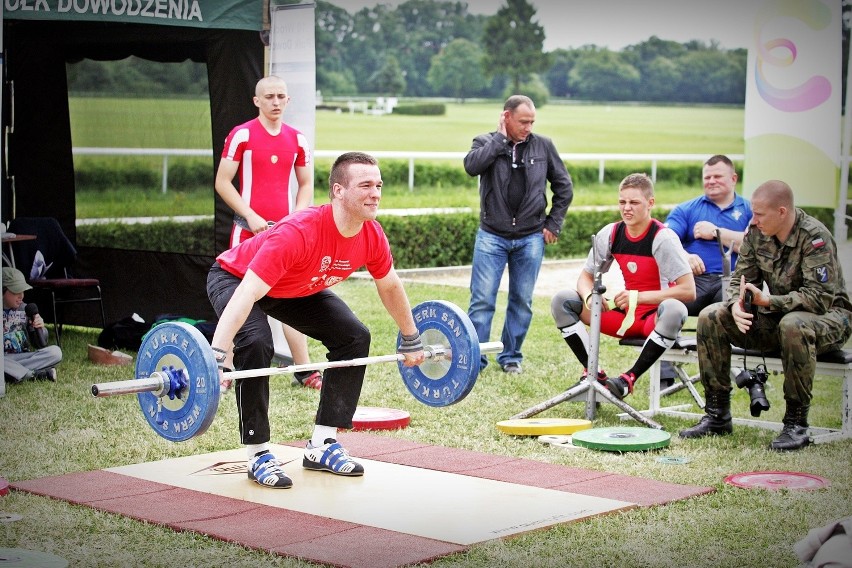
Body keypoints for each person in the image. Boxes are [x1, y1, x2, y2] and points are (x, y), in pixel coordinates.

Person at [207, 151, 425, 489]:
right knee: (256, 342)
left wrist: (411, 338)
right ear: (339, 191)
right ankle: (258, 452)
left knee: (354, 337)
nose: (375, 193)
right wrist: (218, 356)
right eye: (365, 185)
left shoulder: (371, 235)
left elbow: (390, 285)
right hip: (235, 278)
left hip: (291, 288)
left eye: (378, 185)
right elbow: (248, 292)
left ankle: (322, 444)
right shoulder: (299, 231)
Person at [679, 180, 852, 451]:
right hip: (781, 317)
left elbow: (819, 299)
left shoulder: (815, 238)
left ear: (782, 212)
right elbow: (740, 278)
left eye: (760, 214)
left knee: (794, 323)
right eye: (753, 213)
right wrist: (737, 304)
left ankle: (796, 424)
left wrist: (768, 300)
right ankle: (717, 415)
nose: (754, 220)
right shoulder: (756, 233)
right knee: (711, 315)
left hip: (829, 320)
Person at [215, 75, 321, 389]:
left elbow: (305, 185)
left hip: (284, 235)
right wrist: (251, 215)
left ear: (288, 100)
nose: (276, 102)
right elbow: (222, 182)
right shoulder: (241, 135)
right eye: (269, 97)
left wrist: (297, 219)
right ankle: (224, 370)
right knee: (238, 298)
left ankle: (305, 370)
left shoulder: (297, 139)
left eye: (281, 97)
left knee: (293, 295)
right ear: (256, 101)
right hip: (247, 233)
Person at [550, 173, 696, 400]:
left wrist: (639, 298)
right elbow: (585, 277)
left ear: (650, 204)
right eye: (622, 202)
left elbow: (688, 290)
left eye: (634, 202)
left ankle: (627, 380)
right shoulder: (611, 233)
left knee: (676, 310)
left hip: (653, 320)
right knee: (562, 300)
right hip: (624, 315)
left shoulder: (663, 238)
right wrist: (590, 298)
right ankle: (594, 375)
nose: (627, 208)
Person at [463, 94, 573, 375]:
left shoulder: (543, 146)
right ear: (506, 117)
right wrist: (499, 141)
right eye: (523, 121)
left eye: (532, 121)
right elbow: (471, 166)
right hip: (491, 236)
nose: (528, 127)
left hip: (530, 238)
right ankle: (477, 359)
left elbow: (564, 187)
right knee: (482, 301)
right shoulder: (485, 143)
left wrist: (553, 223)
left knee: (521, 301)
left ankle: (511, 357)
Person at [665, 154, 752, 315]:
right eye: (707, 177)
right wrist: (685, 256)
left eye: (717, 176)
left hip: (733, 280)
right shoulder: (685, 209)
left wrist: (715, 232)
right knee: (665, 306)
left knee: (733, 307)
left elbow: (755, 246)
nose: (711, 181)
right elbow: (665, 241)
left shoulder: (750, 210)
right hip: (694, 281)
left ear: (734, 178)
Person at [3, 267, 62, 383]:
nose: (21, 296)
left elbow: (39, 344)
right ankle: (33, 375)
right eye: (16, 292)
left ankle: (12, 373)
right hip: (4, 359)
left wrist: (40, 328)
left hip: (23, 357)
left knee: (55, 352)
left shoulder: (25, 309)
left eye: (22, 291)